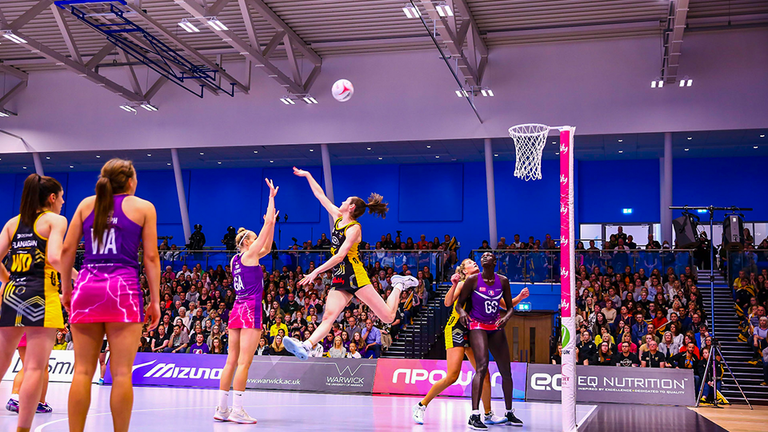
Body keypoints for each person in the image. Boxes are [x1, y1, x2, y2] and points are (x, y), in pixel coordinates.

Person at [60, 158, 161, 432]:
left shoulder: (85, 205)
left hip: (87, 289)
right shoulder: (143, 207)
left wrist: (66, 289)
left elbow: (67, 252)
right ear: (130, 181)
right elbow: (151, 257)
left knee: (82, 371)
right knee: (121, 374)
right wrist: (155, 300)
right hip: (123, 292)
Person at [283, 168, 418, 360]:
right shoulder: (338, 217)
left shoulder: (354, 228)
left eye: (346, 201)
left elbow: (339, 256)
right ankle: (307, 345)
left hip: (355, 275)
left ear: (352, 207)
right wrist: (308, 176)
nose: (342, 202)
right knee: (329, 316)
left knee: (388, 317)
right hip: (339, 276)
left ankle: (398, 285)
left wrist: (315, 272)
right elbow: (320, 195)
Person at [414, 259, 527, 426]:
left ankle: (488, 414)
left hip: (474, 329)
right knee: (453, 376)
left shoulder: (485, 283)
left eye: (474, 262)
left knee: (485, 373)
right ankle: (421, 405)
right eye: (469, 263)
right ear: (464, 271)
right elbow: (447, 302)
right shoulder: (462, 283)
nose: (474, 263)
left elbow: (503, 305)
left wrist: (520, 297)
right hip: (456, 329)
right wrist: (453, 285)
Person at [0, 174, 69, 432]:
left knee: (1, 361)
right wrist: (75, 278)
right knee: (34, 369)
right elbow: (54, 256)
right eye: (61, 197)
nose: (63, 202)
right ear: (52, 198)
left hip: (12, 295)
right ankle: (22, 429)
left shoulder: (13, 223)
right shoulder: (55, 220)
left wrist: (7, 281)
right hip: (42, 297)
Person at [214, 179, 278, 424]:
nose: (257, 239)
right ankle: (238, 409)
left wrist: (269, 225)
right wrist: (271, 201)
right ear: (248, 242)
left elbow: (268, 246)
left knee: (231, 360)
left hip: (236, 309)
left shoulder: (236, 260)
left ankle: (221, 409)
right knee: (244, 362)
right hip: (250, 308)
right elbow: (265, 236)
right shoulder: (251, 254)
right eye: (254, 236)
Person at [455, 252, 525, 429]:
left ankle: (509, 411)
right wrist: (463, 313)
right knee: (482, 366)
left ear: (494, 262)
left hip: (495, 326)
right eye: (483, 256)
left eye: (489, 255)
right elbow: (458, 304)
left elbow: (510, 308)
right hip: (477, 325)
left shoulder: (503, 281)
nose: (485, 257)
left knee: (506, 370)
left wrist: (506, 318)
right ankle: (474, 415)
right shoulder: (472, 280)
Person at [5, 334, 54, 415]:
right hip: (38, 331)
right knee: (43, 366)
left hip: (21, 331)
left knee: (26, 366)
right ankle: (40, 402)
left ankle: (14, 397)